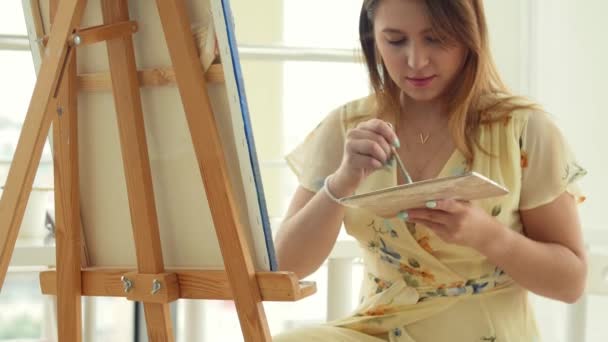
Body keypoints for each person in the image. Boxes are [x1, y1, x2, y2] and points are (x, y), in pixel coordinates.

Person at [273, 0, 588, 341]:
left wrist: (489, 236)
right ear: (372, 38)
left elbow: (570, 283)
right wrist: (340, 183)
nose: (416, 61)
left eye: (436, 39)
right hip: (379, 330)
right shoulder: (347, 128)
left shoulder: (524, 130)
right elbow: (287, 265)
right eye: (395, 41)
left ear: (469, 35)